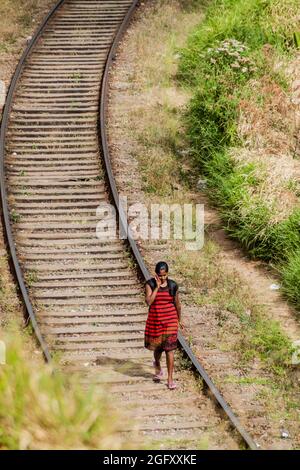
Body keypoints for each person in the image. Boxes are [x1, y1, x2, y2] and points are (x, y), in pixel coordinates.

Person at [144, 261, 181, 390]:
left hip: (170, 322)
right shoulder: (150, 284)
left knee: (170, 350)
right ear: (156, 275)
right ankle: (157, 365)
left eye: (165, 275)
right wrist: (157, 287)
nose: (163, 278)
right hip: (155, 321)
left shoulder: (173, 285)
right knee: (158, 349)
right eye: (160, 276)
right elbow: (149, 301)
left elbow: (177, 304)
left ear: (167, 274)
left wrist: (179, 320)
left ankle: (170, 379)